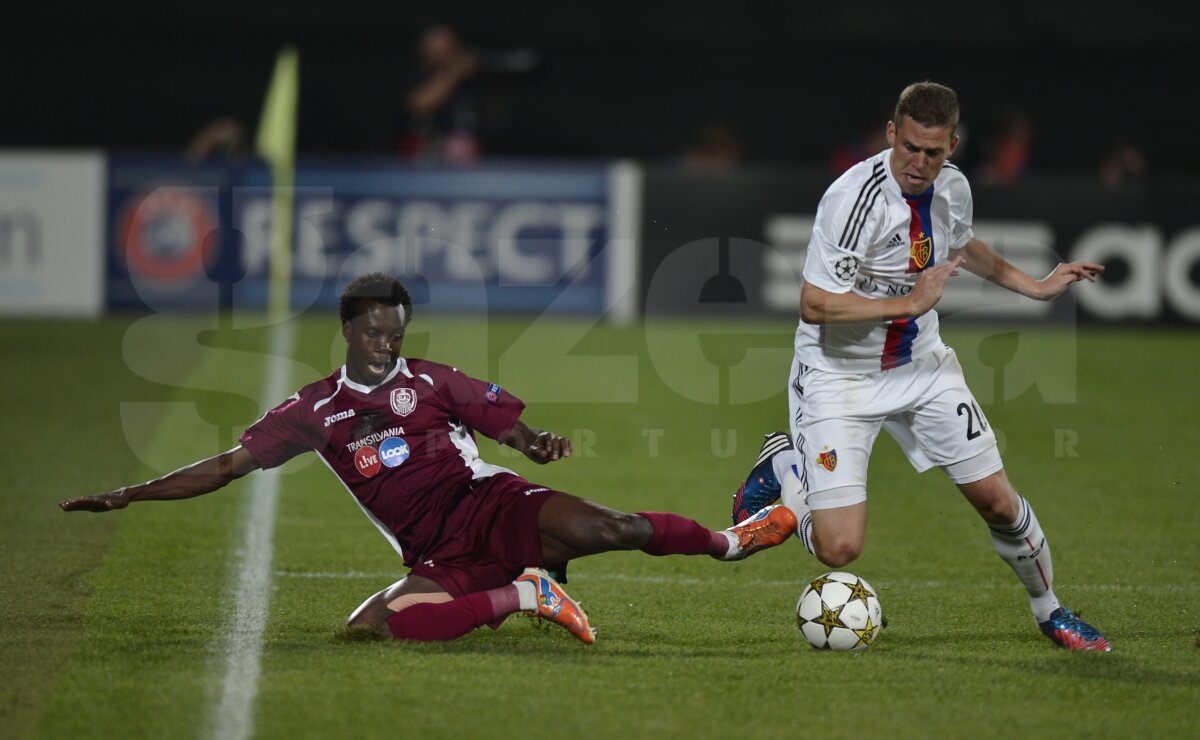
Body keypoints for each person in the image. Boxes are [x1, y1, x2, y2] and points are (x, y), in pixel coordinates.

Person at [59, 273, 796, 644]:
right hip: (437, 552)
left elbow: (505, 425)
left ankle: (733, 541)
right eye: (377, 332)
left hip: (493, 506)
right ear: (350, 330)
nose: (390, 344)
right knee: (376, 629)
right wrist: (131, 493)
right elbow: (223, 467)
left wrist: (534, 444)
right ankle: (530, 595)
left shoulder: (432, 381)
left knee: (616, 529)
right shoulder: (311, 412)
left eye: (398, 332)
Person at [729, 82, 1111, 651]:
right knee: (839, 550)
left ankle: (1050, 611)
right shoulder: (852, 199)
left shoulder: (953, 189)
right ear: (891, 134)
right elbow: (813, 303)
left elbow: (962, 245)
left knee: (999, 503)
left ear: (951, 145)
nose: (919, 162)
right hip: (839, 376)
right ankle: (785, 467)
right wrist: (908, 302)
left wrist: (1035, 285)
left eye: (933, 152)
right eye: (910, 147)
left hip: (922, 368)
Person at [399, 25, 481, 164]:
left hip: (461, 154)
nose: (440, 53)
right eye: (434, 49)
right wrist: (454, 73)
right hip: (423, 152)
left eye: (445, 48)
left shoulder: (470, 80)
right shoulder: (416, 76)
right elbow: (420, 103)